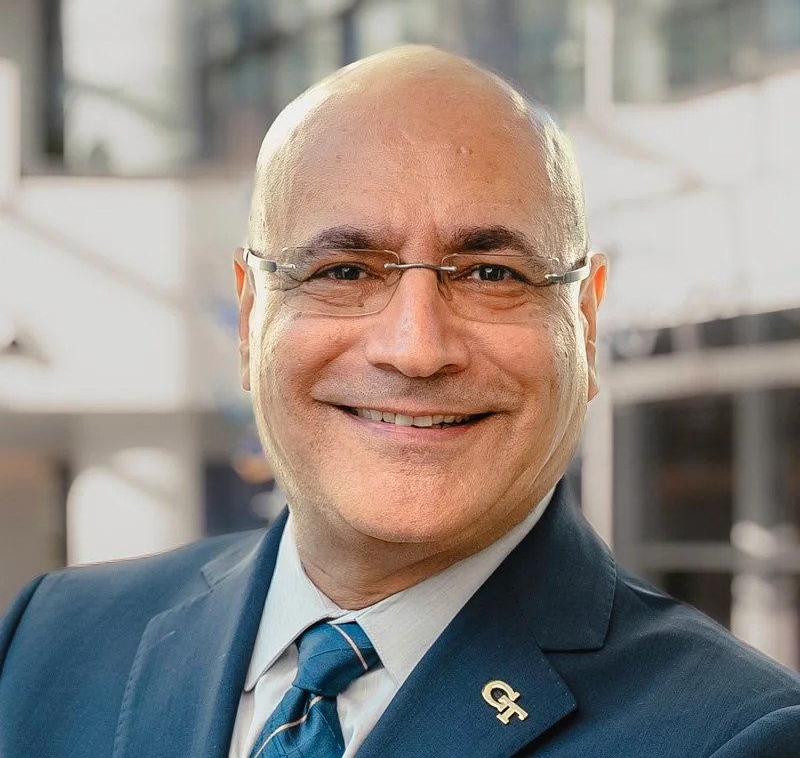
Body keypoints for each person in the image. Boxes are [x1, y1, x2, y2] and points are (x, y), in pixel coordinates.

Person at [1, 45, 798, 758]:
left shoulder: (735, 735)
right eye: (344, 271)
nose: (416, 349)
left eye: (492, 274)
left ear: (584, 323)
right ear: (251, 321)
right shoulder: (48, 640)